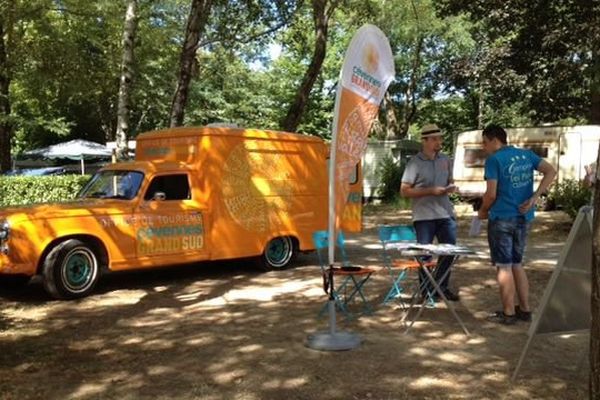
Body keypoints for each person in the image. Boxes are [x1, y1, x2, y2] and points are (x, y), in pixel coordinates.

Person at [478, 124, 556, 325]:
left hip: (502, 218)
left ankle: (508, 313)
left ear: (495, 140)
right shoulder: (526, 155)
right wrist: (535, 197)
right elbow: (551, 171)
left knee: (503, 266)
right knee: (517, 264)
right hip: (524, 218)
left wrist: (483, 210)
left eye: (485, 142)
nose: (483, 147)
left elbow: (491, 194)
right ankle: (525, 309)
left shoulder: (494, 160)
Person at [401, 123, 460, 302]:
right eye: (434, 139)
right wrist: (430, 191)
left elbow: (450, 180)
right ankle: (427, 290)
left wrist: (452, 188)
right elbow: (404, 191)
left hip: (445, 213)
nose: (438, 142)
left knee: (449, 251)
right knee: (425, 254)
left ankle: (441, 286)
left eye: (440, 138)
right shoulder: (414, 163)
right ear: (424, 141)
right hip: (424, 216)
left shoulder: (445, 160)